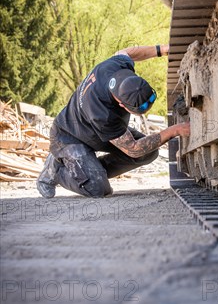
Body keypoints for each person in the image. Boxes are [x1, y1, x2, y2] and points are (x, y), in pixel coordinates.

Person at [36, 44, 190, 199]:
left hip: (93, 130)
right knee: (98, 189)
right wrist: (174, 130)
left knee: (148, 153)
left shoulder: (117, 65)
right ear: (121, 104)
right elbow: (133, 149)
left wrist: (160, 50)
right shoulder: (103, 114)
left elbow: (127, 52)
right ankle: (58, 171)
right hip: (68, 137)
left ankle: (90, 171)